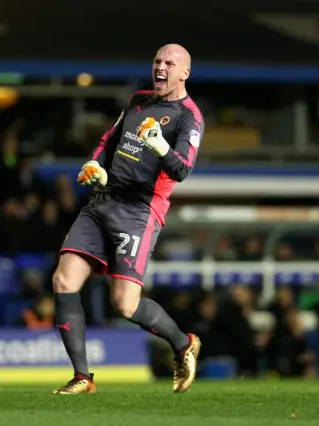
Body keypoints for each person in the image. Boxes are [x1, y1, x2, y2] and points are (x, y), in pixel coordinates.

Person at [52, 44, 205, 394]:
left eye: (170, 63)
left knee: (124, 305)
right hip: (102, 200)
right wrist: (93, 163)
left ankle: (183, 343)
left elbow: (181, 169)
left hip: (139, 212)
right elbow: (109, 140)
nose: (161, 67)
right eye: (157, 61)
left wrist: (160, 146)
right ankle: (82, 377)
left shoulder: (189, 117)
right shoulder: (138, 100)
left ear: (185, 73)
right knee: (63, 280)